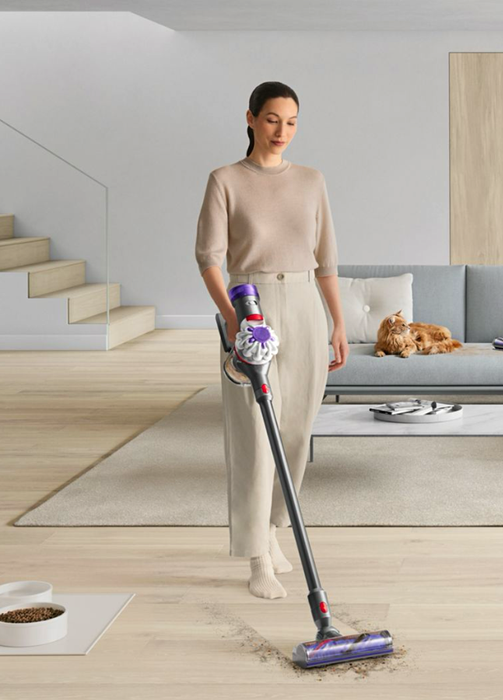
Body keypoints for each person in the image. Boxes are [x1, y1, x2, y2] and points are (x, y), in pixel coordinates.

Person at [195, 81, 349, 599]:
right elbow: (209, 258)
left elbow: (326, 261)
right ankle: (256, 555)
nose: (282, 131)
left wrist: (338, 323)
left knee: (296, 432)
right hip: (251, 306)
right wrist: (232, 319)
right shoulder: (225, 180)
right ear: (251, 119)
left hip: (305, 307)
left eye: (291, 122)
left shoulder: (311, 180)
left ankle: (274, 529)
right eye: (272, 119)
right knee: (254, 435)